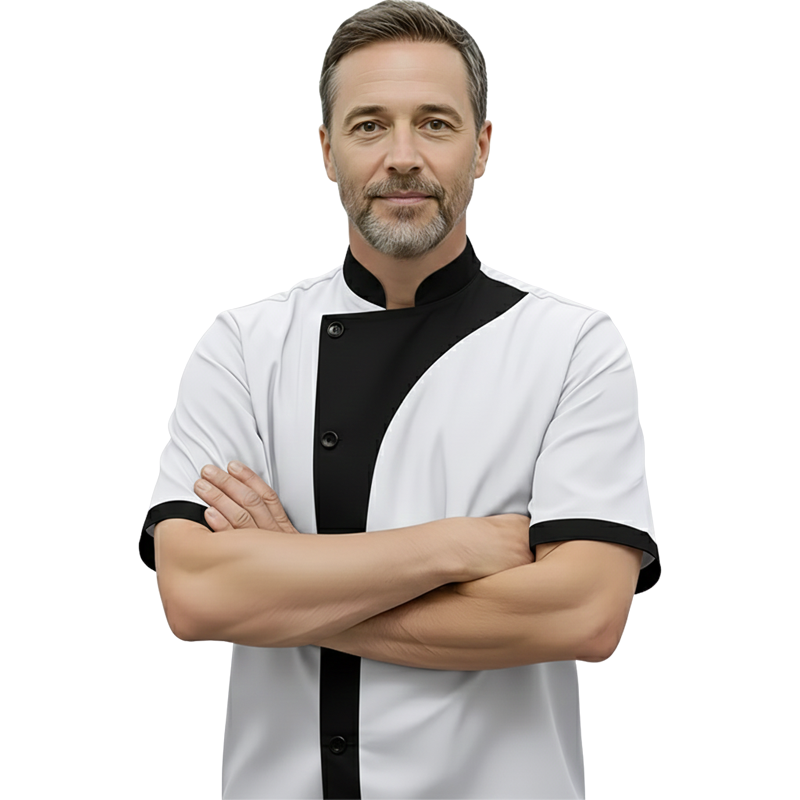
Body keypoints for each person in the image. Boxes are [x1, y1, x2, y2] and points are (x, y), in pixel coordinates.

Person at [139, 1, 661, 797]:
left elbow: (583, 614)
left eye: (436, 124)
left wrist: (287, 580)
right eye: (370, 125)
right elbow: (196, 594)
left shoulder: (571, 347)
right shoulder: (244, 346)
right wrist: (456, 547)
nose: (403, 157)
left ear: (482, 148)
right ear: (328, 150)